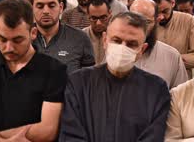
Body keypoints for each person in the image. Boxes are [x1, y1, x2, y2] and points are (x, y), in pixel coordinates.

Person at [59, 12, 171, 141]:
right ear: (105, 40)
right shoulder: (78, 83)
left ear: (142, 50)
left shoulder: (156, 89)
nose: (122, 48)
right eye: (116, 41)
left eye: (131, 44)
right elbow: (71, 135)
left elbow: (153, 137)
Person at [0, 0, 67, 141]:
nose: (9, 48)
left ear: (33, 33)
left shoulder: (54, 70)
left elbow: (47, 131)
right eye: (2, 39)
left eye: (17, 40)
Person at [31, 0, 95, 73]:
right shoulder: (22, 38)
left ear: (61, 7)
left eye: (51, 5)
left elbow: (88, 80)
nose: (46, 11)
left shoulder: (80, 38)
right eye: (40, 6)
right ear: (32, 8)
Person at [130, 0, 188, 88]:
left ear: (157, 21)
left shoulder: (171, 56)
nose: (139, 27)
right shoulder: (116, 53)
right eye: (134, 21)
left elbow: (181, 97)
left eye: (146, 22)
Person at [148, 0, 194, 72]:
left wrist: (169, 60)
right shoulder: (146, 24)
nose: (161, 17)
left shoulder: (188, 21)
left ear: (172, 3)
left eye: (165, 11)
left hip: (181, 81)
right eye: (157, 13)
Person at [82, 0, 111, 64]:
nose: (98, 23)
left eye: (103, 18)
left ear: (110, 14)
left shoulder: (117, 38)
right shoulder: (80, 37)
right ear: (87, 15)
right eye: (94, 18)